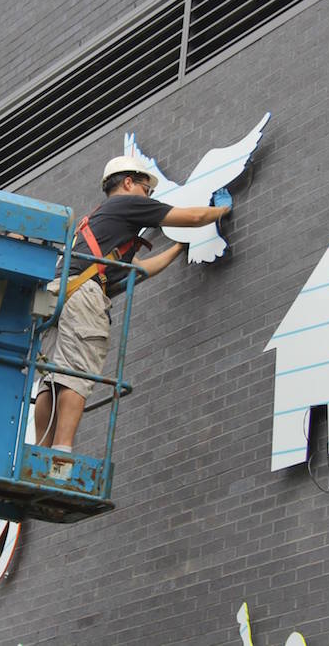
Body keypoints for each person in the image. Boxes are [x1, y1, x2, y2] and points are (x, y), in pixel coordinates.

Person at [33, 155, 232, 453]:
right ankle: (61, 452)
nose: (148, 196)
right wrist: (222, 210)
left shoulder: (100, 222)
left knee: (51, 376)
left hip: (56, 294)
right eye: (146, 189)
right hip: (83, 294)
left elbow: (140, 270)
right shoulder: (127, 204)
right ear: (128, 182)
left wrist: (179, 247)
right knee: (77, 370)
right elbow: (192, 217)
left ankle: (40, 451)